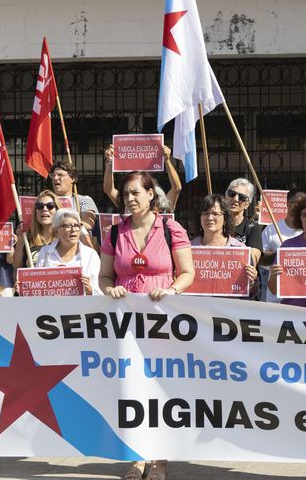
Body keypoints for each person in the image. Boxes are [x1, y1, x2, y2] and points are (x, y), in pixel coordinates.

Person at [99, 171, 194, 480]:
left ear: (152, 194)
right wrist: (109, 289)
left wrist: (172, 291)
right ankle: (137, 458)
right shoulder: (114, 233)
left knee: (159, 389)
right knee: (131, 390)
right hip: (125, 322)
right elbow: (104, 276)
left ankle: (160, 461)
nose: (129, 198)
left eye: (136, 192)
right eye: (125, 193)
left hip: (162, 321)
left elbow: (187, 272)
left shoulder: (171, 228)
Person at [190, 195, 258, 296]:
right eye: (205, 213)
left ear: (225, 219)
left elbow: (253, 292)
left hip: (228, 309)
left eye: (215, 214)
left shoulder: (240, 250)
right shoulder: (187, 249)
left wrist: (251, 283)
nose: (209, 218)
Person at [33, 208, 102, 295]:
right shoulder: (45, 252)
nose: (73, 229)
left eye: (77, 225)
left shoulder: (91, 255)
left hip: (82, 307)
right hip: (51, 306)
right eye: (67, 226)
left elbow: (99, 292)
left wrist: (90, 290)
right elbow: (36, 285)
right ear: (56, 231)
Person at [103, 145, 182, 212]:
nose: (130, 198)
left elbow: (176, 188)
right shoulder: (130, 205)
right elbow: (109, 189)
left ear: (150, 194)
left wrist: (167, 160)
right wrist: (110, 162)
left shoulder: (164, 208)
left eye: (136, 192)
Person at [260, 189, 306, 302]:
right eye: (300, 203)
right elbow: (261, 261)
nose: (304, 207)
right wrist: (283, 255)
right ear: (289, 205)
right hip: (276, 300)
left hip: (301, 297)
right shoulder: (270, 230)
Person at [49, 161, 99, 245]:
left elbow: (88, 224)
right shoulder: (47, 202)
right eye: (53, 175)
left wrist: (62, 226)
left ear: (72, 178)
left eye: (60, 175)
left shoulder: (83, 200)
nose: (55, 178)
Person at [12, 190, 61, 269]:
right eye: (39, 206)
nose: (44, 209)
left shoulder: (64, 238)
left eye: (50, 206)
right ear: (35, 212)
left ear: (57, 210)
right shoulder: (27, 238)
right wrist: (20, 242)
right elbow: (17, 268)